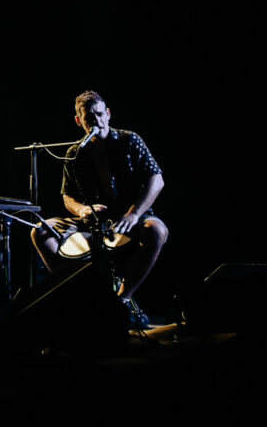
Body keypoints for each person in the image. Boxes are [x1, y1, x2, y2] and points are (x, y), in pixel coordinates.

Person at [31, 90, 168, 327]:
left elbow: (157, 179)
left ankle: (122, 299)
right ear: (79, 121)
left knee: (157, 231)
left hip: (131, 216)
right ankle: (83, 295)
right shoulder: (75, 152)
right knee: (40, 231)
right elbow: (68, 197)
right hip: (92, 220)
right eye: (89, 118)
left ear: (108, 113)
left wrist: (134, 214)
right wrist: (81, 209)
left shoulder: (129, 140)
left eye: (99, 114)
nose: (97, 121)